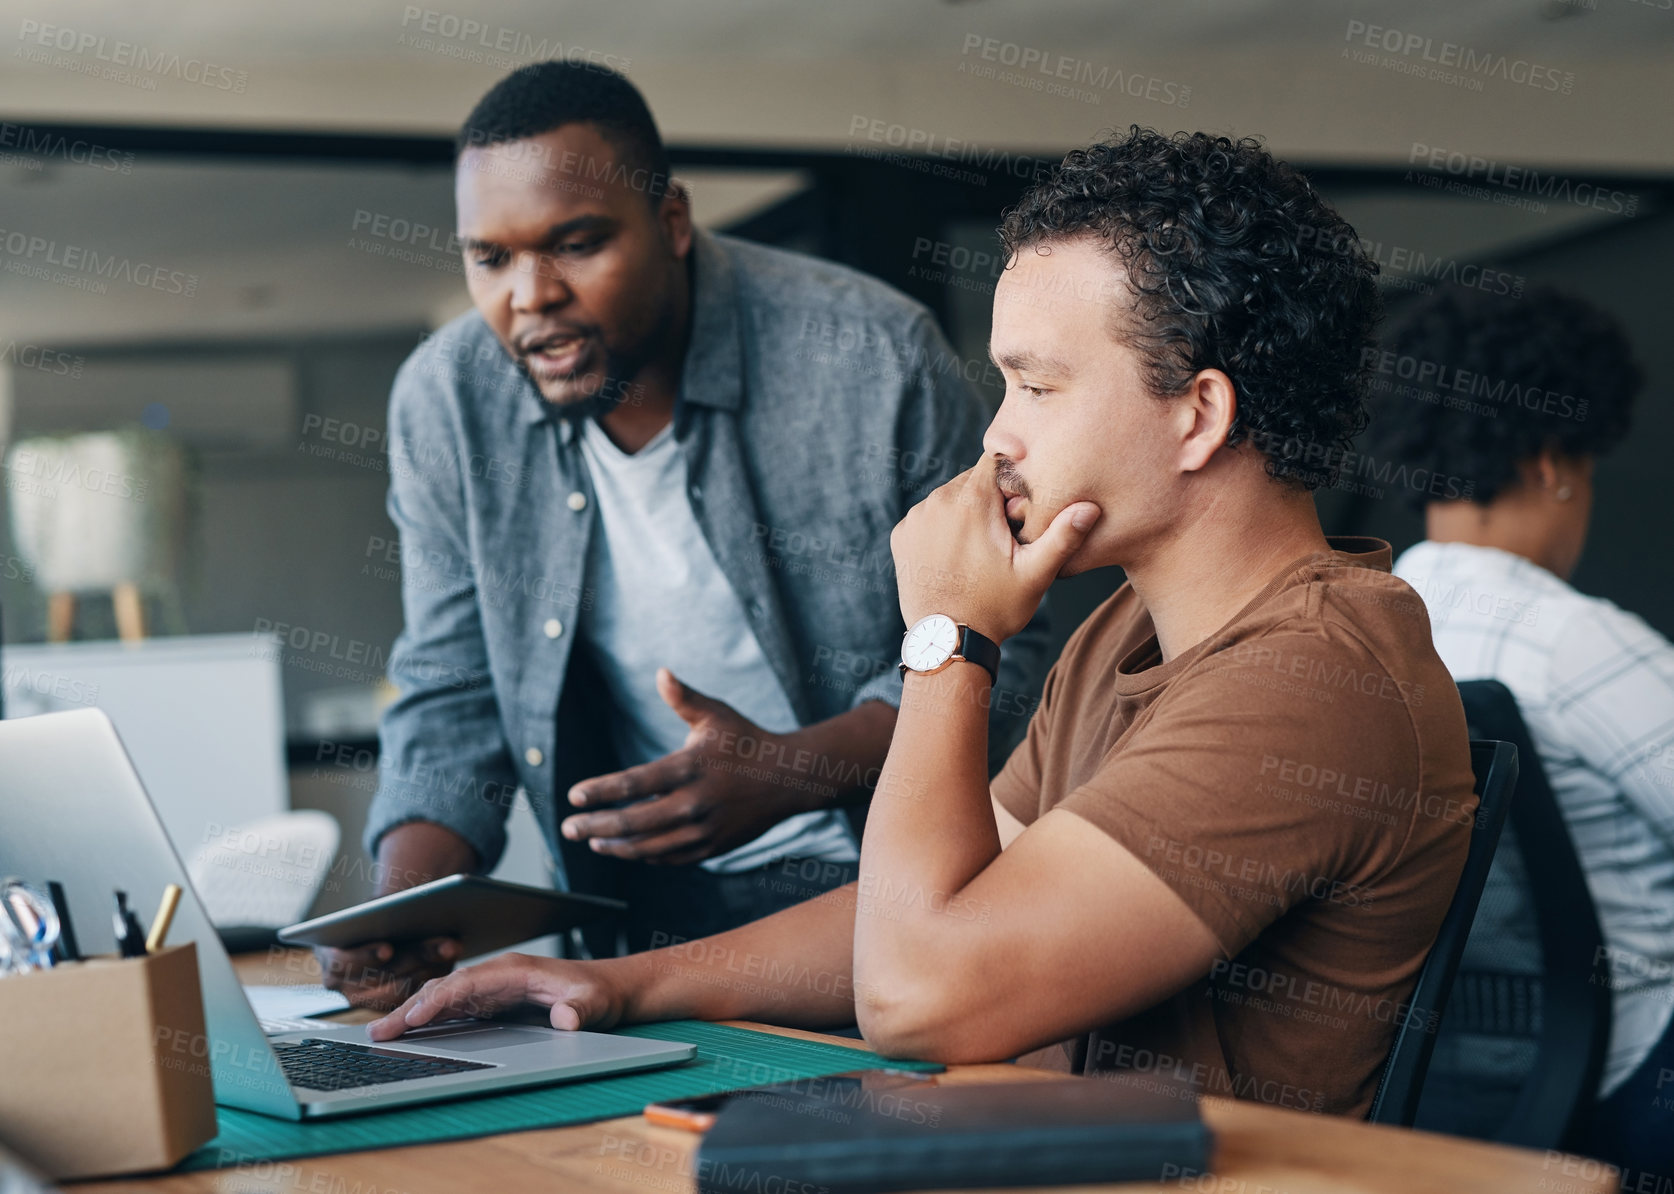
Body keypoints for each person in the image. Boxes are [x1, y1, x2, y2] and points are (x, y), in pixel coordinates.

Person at [367, 128, 1479, 1117]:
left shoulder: (1311, 679)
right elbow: (936, 897)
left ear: (1199, 415)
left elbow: (916, 994)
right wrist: (620, 985)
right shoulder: (1125, 634)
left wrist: (946, 638)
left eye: (1035, 388)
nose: (997, 437)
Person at [322, 62, 1051, 1008]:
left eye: (575, 244)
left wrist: (791, 771)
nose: (530, 295)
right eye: (490, 258)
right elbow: (451, 686)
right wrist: (399, 912)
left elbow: (1007, 647)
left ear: (671, 222)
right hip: (629, 908)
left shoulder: (870, 355)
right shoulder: (449, 400)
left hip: (875, 888)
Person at [1377, 284, 1674, 1171]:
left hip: (1449, 1081)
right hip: (1634, 1076)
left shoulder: (1367, 626)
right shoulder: (1572, 640)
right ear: (1554, 463)